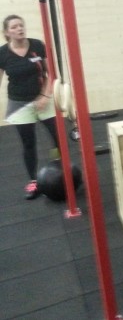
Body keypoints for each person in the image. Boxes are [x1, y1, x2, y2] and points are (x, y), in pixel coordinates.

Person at [0, 15, 58, 200]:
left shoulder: (37, 45)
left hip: (43, 99)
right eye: (14, 27)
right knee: (28, 143)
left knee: (58, 137)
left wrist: (45, 96)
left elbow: (51, 74)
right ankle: (34, 181)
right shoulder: (2, 53)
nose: (19, 29)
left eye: (21, 25)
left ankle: (59, 169)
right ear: (7, 32)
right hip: (19, 103)